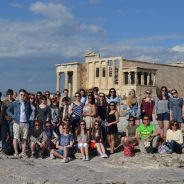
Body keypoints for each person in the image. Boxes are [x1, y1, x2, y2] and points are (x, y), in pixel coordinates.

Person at [7, 89, 32, 157]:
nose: (22, 96)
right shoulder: (15, 103)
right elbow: (8, 111)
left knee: (24, 138)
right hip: (17, 123)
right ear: (18, 95)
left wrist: (27, 117)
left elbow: (30, 111)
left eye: (24, 95)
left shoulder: (27, 103)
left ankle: (23, 152)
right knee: (15, 138)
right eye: (21, 95)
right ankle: (16, 152)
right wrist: (13, 116)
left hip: (25, 123)